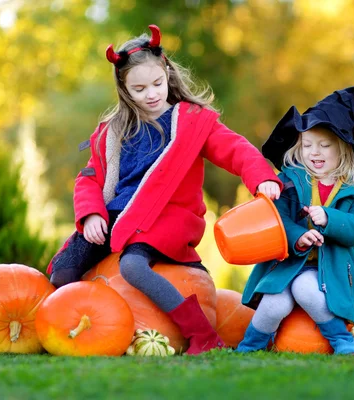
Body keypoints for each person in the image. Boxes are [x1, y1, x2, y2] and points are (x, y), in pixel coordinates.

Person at [46, 25, 282, 355]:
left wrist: (262, 178)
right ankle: (65, 331)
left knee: (131, 267)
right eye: (140, 88)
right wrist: (90, 215)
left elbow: (236, 149)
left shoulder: (193, 122)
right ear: (125, 90)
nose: (152, 93)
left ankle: (202, 334)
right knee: (63, 270)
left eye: (157, 83)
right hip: (115, 215)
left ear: (167, 74)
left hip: (165, 215)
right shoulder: (113, 132)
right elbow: (89, 178)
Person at [236, 76, 354, 355]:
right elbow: (277, 218)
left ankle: (341, 339)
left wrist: (330, 218)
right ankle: (250, 345)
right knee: (275, 303)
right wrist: (298, 236)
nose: (315, 152)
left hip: (329, 267)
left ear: (342, 149)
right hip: (287, 262)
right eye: (308, 144)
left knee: (306, 289)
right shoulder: (290, 180)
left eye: (324, 145)